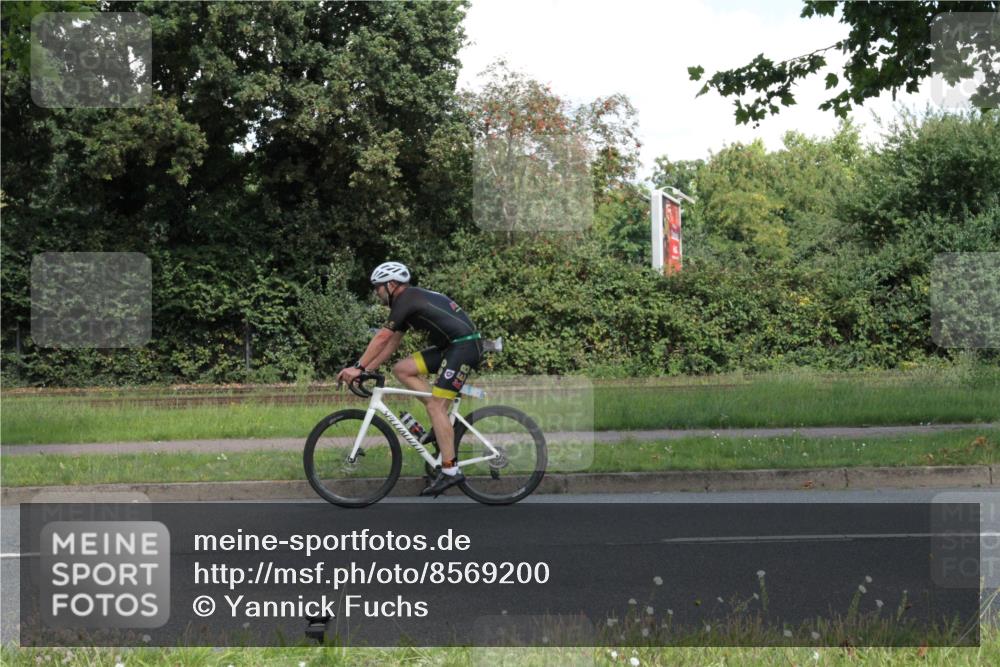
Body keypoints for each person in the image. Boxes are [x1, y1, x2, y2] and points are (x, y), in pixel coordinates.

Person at [335, 261, 483, 497]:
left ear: (391, 284)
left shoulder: (407, 298)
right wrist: (365, 370)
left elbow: (382, 338)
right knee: (402, 369)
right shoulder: (406, 303)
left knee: (435, 407)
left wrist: (357, 367)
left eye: (378, 287)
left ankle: (451, 470)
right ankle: (441, 421)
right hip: (450, 347)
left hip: (464, 347)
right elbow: (391, 344)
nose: (377, 293)